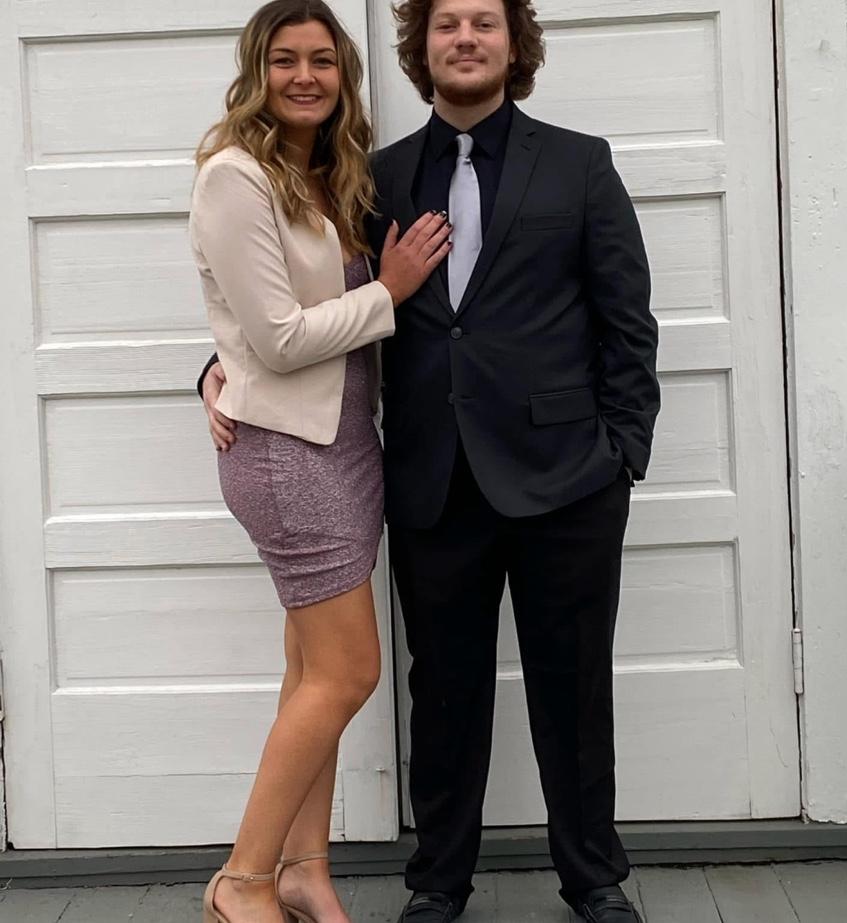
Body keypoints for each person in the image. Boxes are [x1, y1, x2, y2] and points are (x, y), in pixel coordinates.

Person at [201, 0, 659, 919]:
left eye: (484, 23)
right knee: (442, 691)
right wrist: (215, 370)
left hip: (567, 477)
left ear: (514, 44)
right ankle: (438, 881)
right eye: (446, 24)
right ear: (421, 48)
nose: (465, 39)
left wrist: (621, 453)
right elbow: (291, 297)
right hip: (430, 479)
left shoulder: (579, 163)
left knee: (572, 688)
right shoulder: (370, 176)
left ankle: (592, 877)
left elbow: (626, 320)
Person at [190, 2, 451, 922]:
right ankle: (242, 880)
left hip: (343, 446)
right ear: (255, 73)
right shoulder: (234, 176)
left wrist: (217, 366)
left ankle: (305, 869)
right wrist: (392, 288)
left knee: (311, 673)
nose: (305, 77)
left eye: (323, 61)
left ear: (344, 75)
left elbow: (253, 328)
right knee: (348, 673)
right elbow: (277, 336)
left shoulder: (324, 173)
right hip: (286, 455)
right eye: (284, 60)